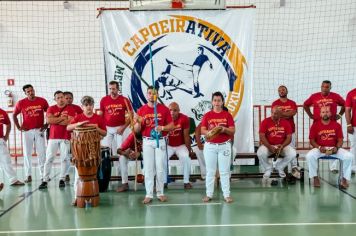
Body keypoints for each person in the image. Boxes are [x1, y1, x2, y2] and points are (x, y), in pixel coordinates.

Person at [134, 86, 174, 204]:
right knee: (148, 168)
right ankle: (149, 194)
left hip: (160, 140)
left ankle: (160, 193)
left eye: (154, 93)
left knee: (160, 168)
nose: (152, 95)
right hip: (147, 141)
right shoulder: (141, 110)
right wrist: (137, 122)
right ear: (147, 95)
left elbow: (171, 126)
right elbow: (137, 130)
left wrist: (162, 127)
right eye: (149, 93)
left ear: (157, 95)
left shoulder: (164, 109)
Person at [67, 96, 107, 206]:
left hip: (94, 150)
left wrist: (96, 128)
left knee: (93, 174)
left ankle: (93, 195)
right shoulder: (78, 117)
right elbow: (68, 128)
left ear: (93, 106)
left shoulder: (98, 118)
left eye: (90, 105)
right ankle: (76, 197)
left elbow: (104, 133)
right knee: (78, 176)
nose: (89, 107)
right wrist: (77, 124)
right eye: (86, 105)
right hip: (80, 152)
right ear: (82, 107)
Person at [306, 106, 353, 189]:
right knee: (309, 156)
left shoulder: (337, 125)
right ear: (320, 114)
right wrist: (319, 147)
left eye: (327, 112)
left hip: (334, 148)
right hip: (320, 149)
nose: (325, 113)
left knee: (349, 156)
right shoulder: (315, 125)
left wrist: (337, 148)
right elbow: (312, 141)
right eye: (323, 112)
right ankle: (315, 177)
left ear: (331, 113)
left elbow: (340, 140)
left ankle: (344, 179)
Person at [200, 92, 235, 203]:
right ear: (212, 102)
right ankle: (209, 194)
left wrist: (223, 129)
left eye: (219, 100)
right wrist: (212, 131)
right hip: (210, 146)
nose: (217, 102)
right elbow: (202, 130)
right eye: (215, 100)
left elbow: (233, 130)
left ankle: (226, 195)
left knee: (224, 172)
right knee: (210, 172)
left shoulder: (227, 115)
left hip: (224, 146)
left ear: (222, 102)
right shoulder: (207, 115)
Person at [39, 91, 77, 189]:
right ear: (55, 99)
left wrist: (55, 119)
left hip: (65, 137)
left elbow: (69, 122)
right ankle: (45, 179)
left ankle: (62, 178)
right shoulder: (51, 108)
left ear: (64, 98)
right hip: (53, 137)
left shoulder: (70, 109)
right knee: (49, 158)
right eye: (58, 97)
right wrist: (61, 118)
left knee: (65, 158)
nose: (61, 99)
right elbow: (49, 121)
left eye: (62, 97)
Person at [13, 84, 49, 183]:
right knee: (27, 153)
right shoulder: (21, 103)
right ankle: (28, 175)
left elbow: (49, 113)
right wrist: (18, 127)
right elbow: (14, 115)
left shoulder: (42, 101)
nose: (31, 92)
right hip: (27, 131)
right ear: (25, 93)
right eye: (28, 91)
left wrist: (46, 125)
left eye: (32, 90)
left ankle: (43, 175)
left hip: (39, 130)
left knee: (41, 153)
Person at [99, 81, 132, 189]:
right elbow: (101, 116)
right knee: (103, 153)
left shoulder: (124, 100)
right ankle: (102, 180)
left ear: (118, 89)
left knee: (122, 154)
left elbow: (131, 115)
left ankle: (125, 182)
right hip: (108, 129)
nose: (112, 91)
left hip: (120, 128)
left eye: (114, 89)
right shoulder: (104, 100)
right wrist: (101, 130)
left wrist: (123, 127)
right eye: (110, 89)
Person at [257, 107, 296, 180]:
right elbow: (261, 136)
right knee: (260, 152)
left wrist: (282, 146)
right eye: (272, 113)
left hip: (282, 145)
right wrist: (269, 146)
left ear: (280, 114)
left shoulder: (285, 122)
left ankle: (280, 167)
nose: (273, 115)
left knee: (293, 153)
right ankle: (268, 168)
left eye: (276, 113)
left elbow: (289, 137)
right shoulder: (265, 121)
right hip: (268, 145)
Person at [271, 85, 300, 179]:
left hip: (290, 130)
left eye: (283, 90)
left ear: (287, 91)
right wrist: (285, 114)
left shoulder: (292, 102)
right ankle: (275, 166)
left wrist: (281, 113)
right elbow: (275, 115)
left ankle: (294, 167)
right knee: (277, 148)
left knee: (292, 148)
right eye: (279, 90)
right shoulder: (275, 103)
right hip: (278, 130)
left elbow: (292, 113)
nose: (281, 91)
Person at [165, 102, 192, 189]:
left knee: (186, 157)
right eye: (170, 110)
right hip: (168, 145)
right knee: (162, 158)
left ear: (179, 111)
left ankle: (186, 181)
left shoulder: (184, 118)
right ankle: (164, 181)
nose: (172, 112)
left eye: (175, 110)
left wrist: (189, 150)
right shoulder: (165, 119)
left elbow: (186, 136)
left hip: (180, 145)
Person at [0, 107, 25, 187]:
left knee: (6, 160)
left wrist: (6, 136)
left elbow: (8, 124)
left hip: (0, 141)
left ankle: (13, 180)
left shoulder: (2, 112)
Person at [63, 91, 82, 182]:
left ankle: (79, 172)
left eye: (70, 98)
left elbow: (82, 118)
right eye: (66, 98)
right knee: (65, 155)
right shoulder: (60, 108)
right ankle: (65, 174)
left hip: (77, 135)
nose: (69, 100)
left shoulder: (77, 108)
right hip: (65, 135)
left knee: (76, 154)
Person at [345, 87, 356, 174]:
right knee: (354, 147)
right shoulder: (351, 93)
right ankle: (352, 167)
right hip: (354, 126)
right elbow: (347, 110)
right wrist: (349, 124)